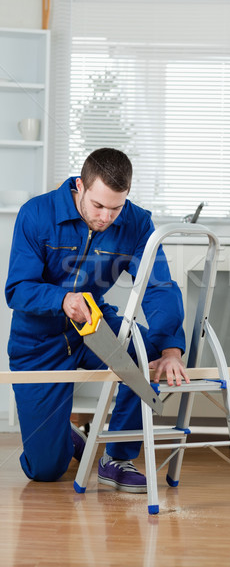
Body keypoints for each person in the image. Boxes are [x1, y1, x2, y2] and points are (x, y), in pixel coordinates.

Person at [5, 147, 189, 493]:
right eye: (98, 206)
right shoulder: (37, 214)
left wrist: (170, 348)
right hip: (38, 343)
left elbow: (159, 286)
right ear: (81, 186)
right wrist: (62, 299)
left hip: (93, 327)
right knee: (46, 470)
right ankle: (64, 438)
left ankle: (116, 457)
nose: (106, 217)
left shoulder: (136, 223)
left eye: (115, 208)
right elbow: (17, 290)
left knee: (144, 350)